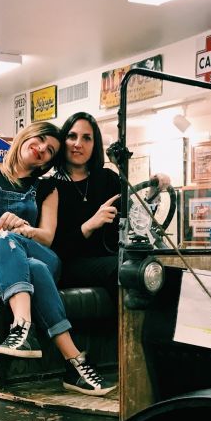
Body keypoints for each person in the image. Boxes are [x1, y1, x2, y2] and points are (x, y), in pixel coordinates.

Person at [0, 121, 115, 397]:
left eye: (51, 150)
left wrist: (22, 229)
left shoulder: (47, 188)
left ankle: (21, 330)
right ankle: (75, 362)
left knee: (20, 248)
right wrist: (4, 233)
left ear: (49, 162)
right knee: (29, 264)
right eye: (41, 139)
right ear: (26, 134)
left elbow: (47, 237)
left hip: (39, 252)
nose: (42, 148)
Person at [51, 112, 122, 295]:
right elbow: (54, 247)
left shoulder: (108, 179)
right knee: (122, 269)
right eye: (72, 136)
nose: (78, 144)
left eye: (86, 138)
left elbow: (134, 212)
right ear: (62, 140)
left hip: (111, 257)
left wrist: (154, 192)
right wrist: (89, 225)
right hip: (70, 264)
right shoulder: (50, 187)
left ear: (94, 144)